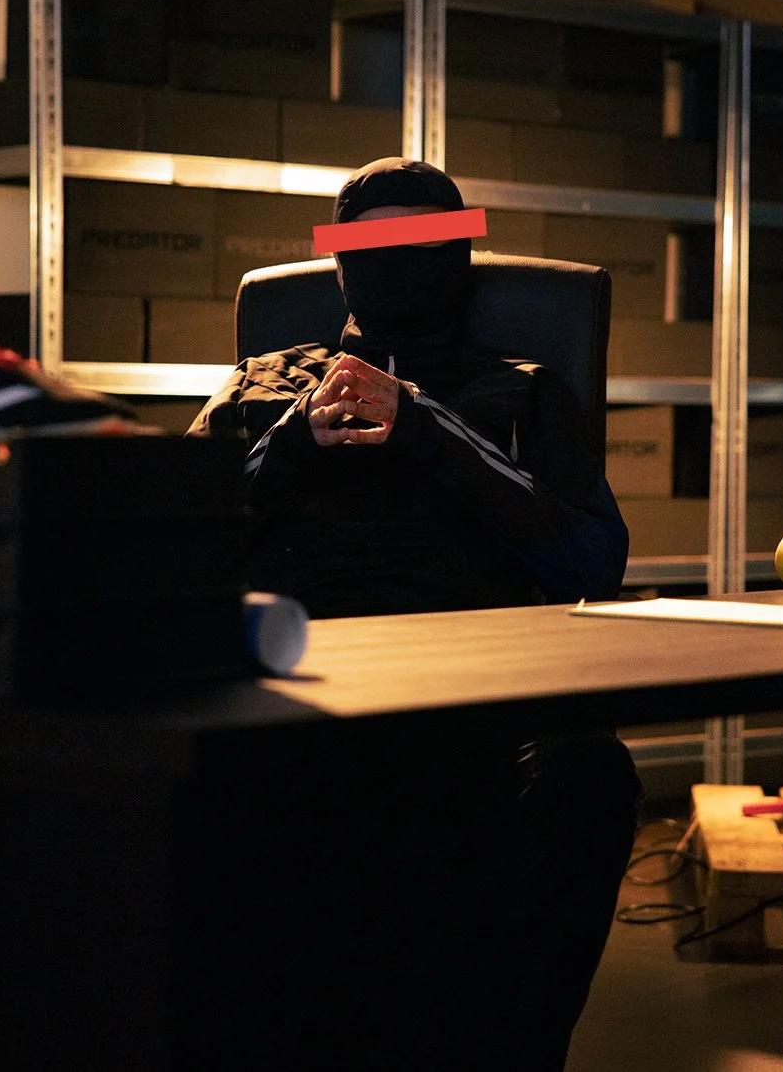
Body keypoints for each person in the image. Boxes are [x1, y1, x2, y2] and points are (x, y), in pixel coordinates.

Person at [187, 157, 641, 1071]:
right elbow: (162, 536)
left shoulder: (521, 389)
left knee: (587, 772)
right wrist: (289, 444)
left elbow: (589, 559)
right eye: (371, 244)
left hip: (474, 713)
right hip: (299, 699)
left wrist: (433, 431)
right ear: (340, 262)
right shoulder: (259, 381)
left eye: (419, 244)